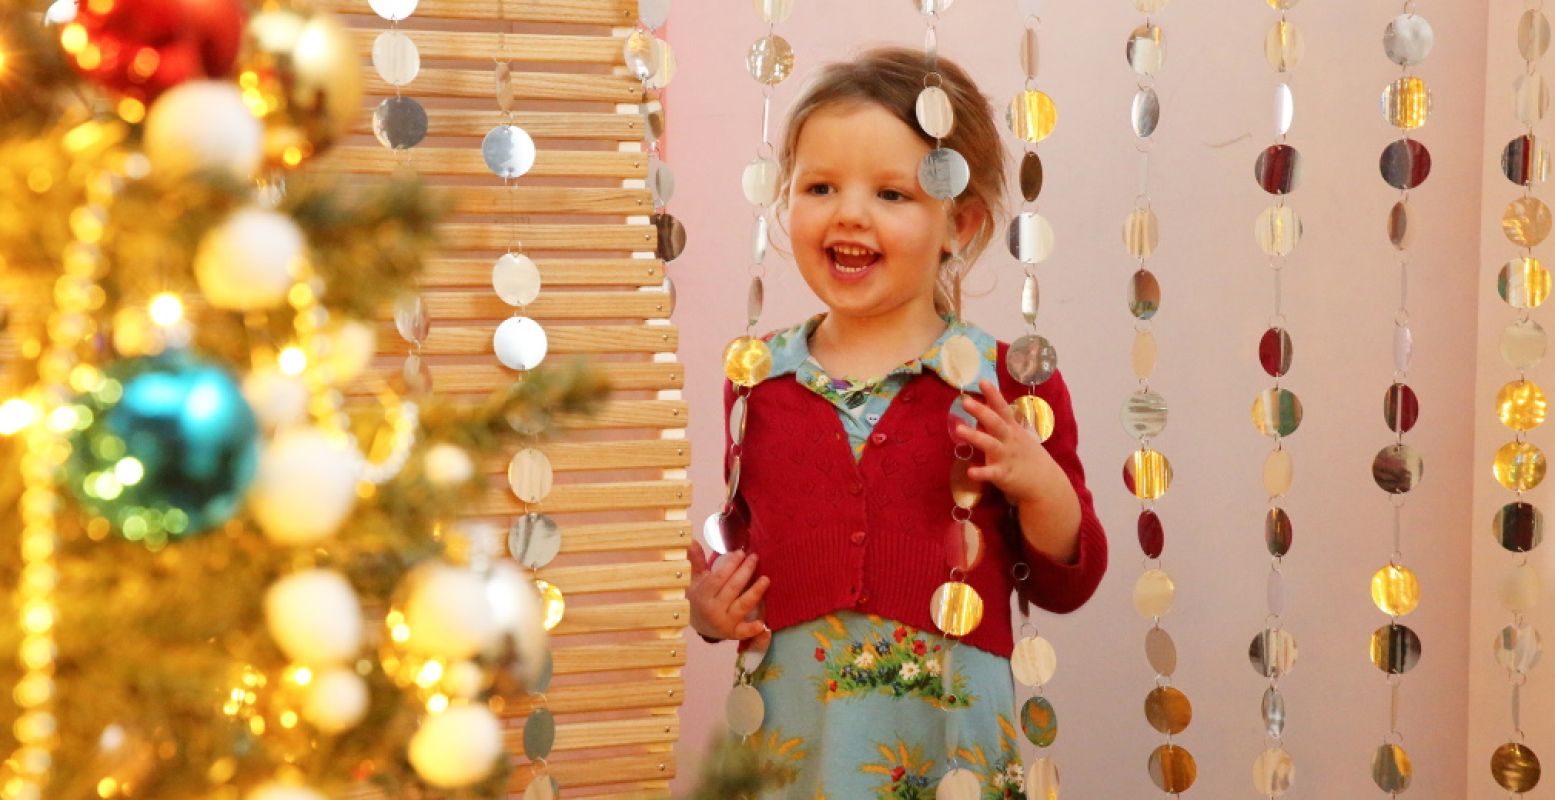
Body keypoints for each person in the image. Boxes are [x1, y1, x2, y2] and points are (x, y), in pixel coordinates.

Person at [688, 46, 1108, 798]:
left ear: (959, 223)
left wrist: (1038, 484)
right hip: (795, 722)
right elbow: (745, 545)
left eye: (891, 194)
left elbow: (1064, 581)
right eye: (819, 186)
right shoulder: (756, 378)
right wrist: (713, 610)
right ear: (786, 200)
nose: (849, 212)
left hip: (942, 729)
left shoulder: (1006, 381)